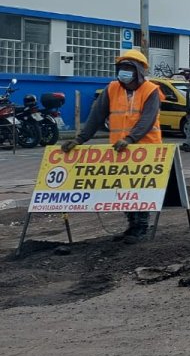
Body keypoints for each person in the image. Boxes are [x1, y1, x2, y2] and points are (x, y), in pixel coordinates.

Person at [60, 50, 163, 244]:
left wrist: (131, 138)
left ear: (139, 71)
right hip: (120, 150)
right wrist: (79, 140)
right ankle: (132, 225)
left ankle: (141, 227)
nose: (124, 72)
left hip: (146, 149)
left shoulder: (151, 90)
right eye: (122, 68)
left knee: (141, 190)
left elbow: (148, 119)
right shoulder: (112, 89)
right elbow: (96, 116)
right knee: (124, 189)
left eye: (128, 68)